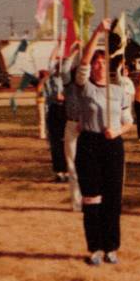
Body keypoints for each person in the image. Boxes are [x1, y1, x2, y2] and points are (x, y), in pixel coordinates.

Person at [75, 19, 133, 265]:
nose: (98, 66)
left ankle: (111, 246)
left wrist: (118, 131)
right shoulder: (85, 87)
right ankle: (95, 247)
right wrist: (98, 32)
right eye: (96, 63)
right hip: (89, 145)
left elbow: (129, 121)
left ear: (109, 65)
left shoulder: (119, 90)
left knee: (112, 198)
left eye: (102, 62)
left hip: (112, 147)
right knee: (92, 198)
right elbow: (84, 61)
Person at [61, 44, 83, 211]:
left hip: (88, 127)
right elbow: (64, 69)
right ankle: (77, 202)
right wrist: (74, 51)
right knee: (72, 164)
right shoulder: (69, 86)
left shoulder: (90, 87)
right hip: (71, 125)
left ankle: (89, 198)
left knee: (88, 165)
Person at [43, 57, 68, 183]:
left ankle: (68, 171)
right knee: (56, 143)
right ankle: (59, 171)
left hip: (65, 111)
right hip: (54, 111)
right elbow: (49, 96)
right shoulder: (50, 79)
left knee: (67, 143)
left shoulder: (68, 79)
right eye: (59, 65)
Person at [34, 69, 48, 140]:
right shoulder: (39, 83)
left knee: (45, 118)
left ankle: (45, 133)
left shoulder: (44, 83)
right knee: (42, 119)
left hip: (44, 102)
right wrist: (43, 80)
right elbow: (39, 91)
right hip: (41, 102)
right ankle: (42, 134)